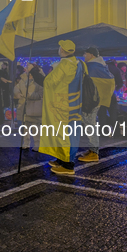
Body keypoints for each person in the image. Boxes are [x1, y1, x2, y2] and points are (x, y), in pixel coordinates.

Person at [39, 40, 86, 175]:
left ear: (63, 50)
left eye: (60, 47)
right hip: (73, 104)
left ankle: (67, 165)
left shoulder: (64, 64)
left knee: (64, 133)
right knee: (70, 132)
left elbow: (49, 82)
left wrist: (36, 72)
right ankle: (62, 159)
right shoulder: (78, 63)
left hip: (63, 105)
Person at [79, 47, 115, 162]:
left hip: (90, 101)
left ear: (91, 54)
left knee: (90, 126)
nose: (84, 56)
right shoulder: (103, 66)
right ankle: (92, 150)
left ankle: (94, 153)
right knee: (91, 125)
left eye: (86, 53)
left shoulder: (91, 67)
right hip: (97, 100)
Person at [15, 64, 45, 152]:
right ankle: (26, 143)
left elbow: (41, 94)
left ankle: (37, 144)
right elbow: (16, 87)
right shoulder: (24, 78)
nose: (25, 68)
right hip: (23, 106)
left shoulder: (39, 79)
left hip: (34, 107)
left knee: (35, 128)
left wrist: (28, 95)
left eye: (28, 67)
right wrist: (17, 93)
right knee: (25, 127)